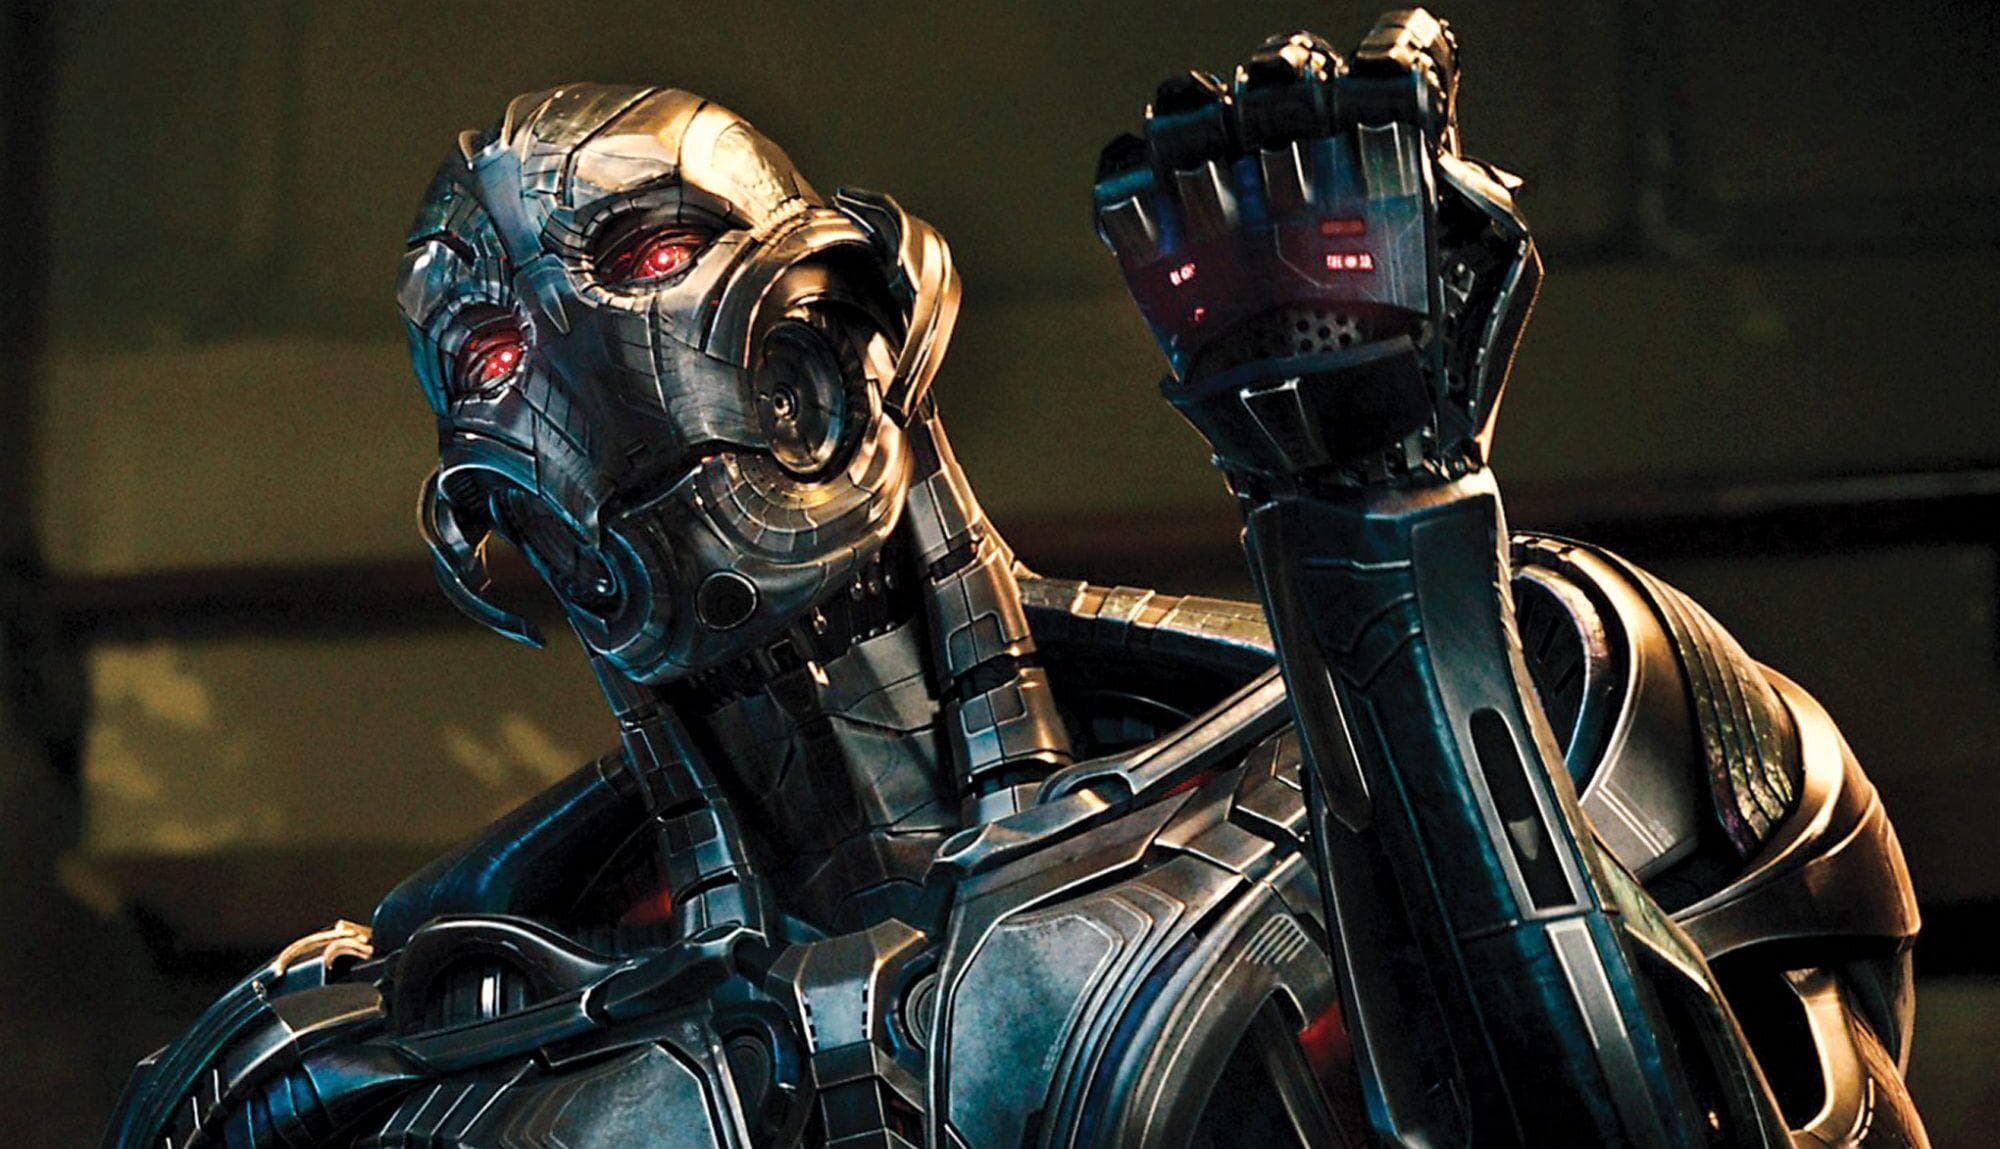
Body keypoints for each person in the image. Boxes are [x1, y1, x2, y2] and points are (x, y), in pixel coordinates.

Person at [105, 11, 1925, 1146]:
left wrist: (1379, 536)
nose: (596, 366)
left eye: (651, 253)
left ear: (853, 314)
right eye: (495, 355)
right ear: (483, 526)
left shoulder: (1535, 695)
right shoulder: (359, 1073)